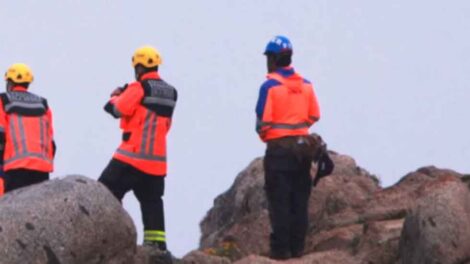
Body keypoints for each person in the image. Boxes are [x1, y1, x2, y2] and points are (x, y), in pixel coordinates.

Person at [99, 46, 177, 256]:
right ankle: (157, 250)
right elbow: (164, 124)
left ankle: (106, 238)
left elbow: (116, 110)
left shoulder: (139, 87)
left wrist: (116, 96)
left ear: (139, 67)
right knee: (152, 203)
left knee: (104, 192)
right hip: (157, 163)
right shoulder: (171, 92)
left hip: (131, 157)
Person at [255, 36, 321, 260]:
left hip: (278, 152)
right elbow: (314, 115)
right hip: (302, 151)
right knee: (299, 202)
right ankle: (298, 249)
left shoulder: (270, 87)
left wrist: (272, 134)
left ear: (273, 59)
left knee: (279, 202)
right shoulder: (307, 85)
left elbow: (262, 124)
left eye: (268, 58)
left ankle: (281, 251)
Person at [0, 63, 56, 193]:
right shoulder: (43, 104)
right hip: (42, 169)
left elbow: (0, 134)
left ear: (10, 83)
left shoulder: (3, 100)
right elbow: (51, 143)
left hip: (15, 169)